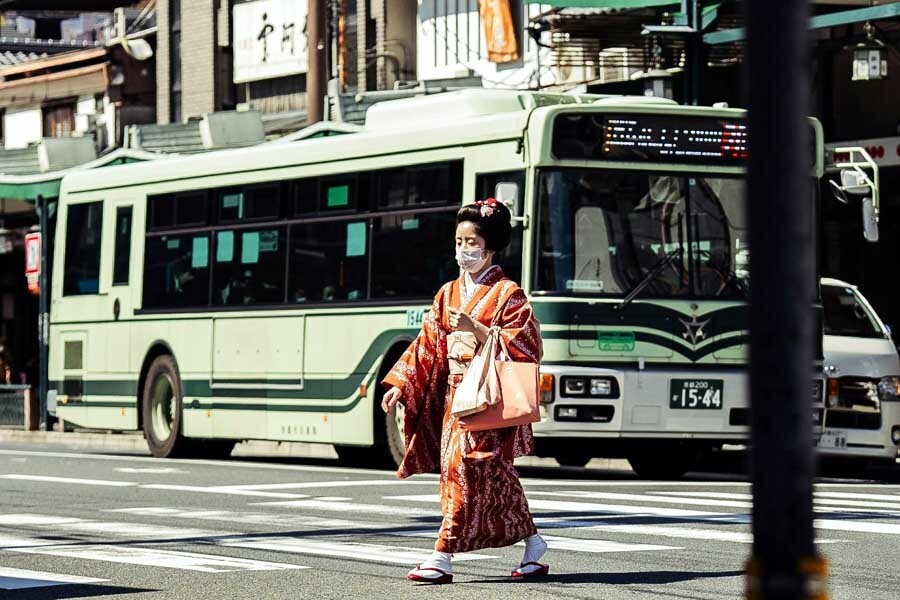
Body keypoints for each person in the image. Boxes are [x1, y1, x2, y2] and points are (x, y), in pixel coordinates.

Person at [381, 198, 547, 584]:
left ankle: (441, 555)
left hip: (487, 397)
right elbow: (426, 345)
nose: (463, 249)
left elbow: (527, 346)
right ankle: (535, 546)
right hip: (455, 397)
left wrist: (479, 330)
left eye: (471, 241)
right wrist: (401, 383)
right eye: (459, 240)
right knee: (493, 475)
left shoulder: (510, 294)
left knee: (465, 470)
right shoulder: (447, 293)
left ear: (489, 246)